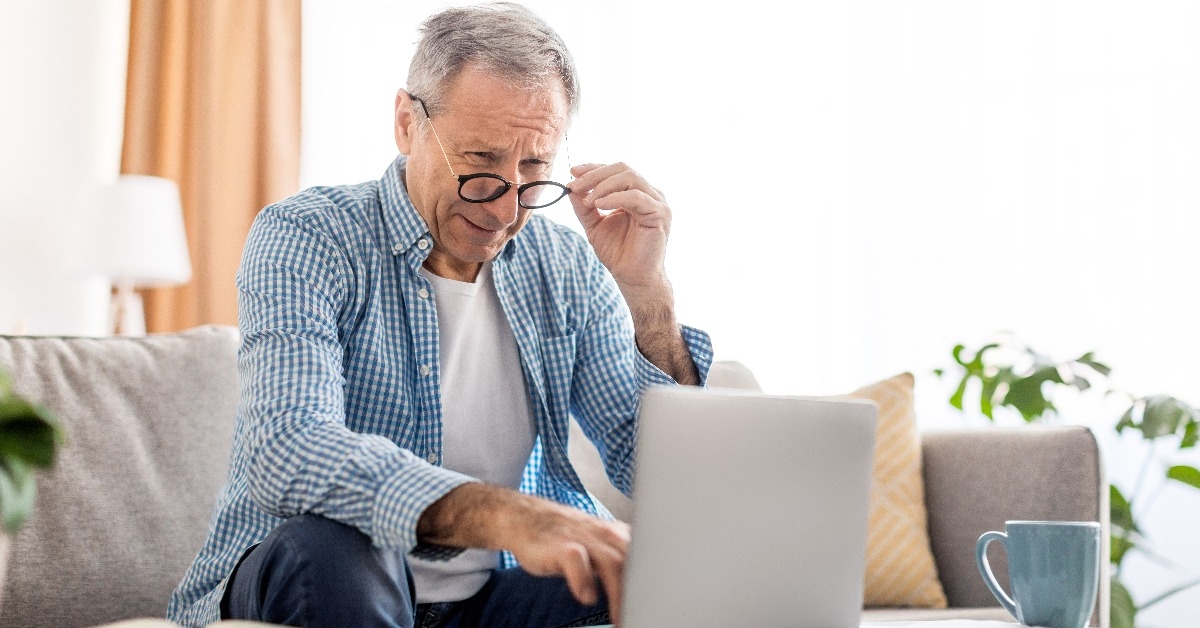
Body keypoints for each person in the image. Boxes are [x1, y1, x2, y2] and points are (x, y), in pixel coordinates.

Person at [168, 3, 712, 627]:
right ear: (407, 124)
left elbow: (663, 480)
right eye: (480, 166)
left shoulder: (563, 264)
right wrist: (511, 516)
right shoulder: (309, 235)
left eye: (533, 173)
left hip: (487, 598)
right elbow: (288, 449)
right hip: (319, 571)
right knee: (338, 548)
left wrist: (648, 296)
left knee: (660, 577)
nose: (507, 209)